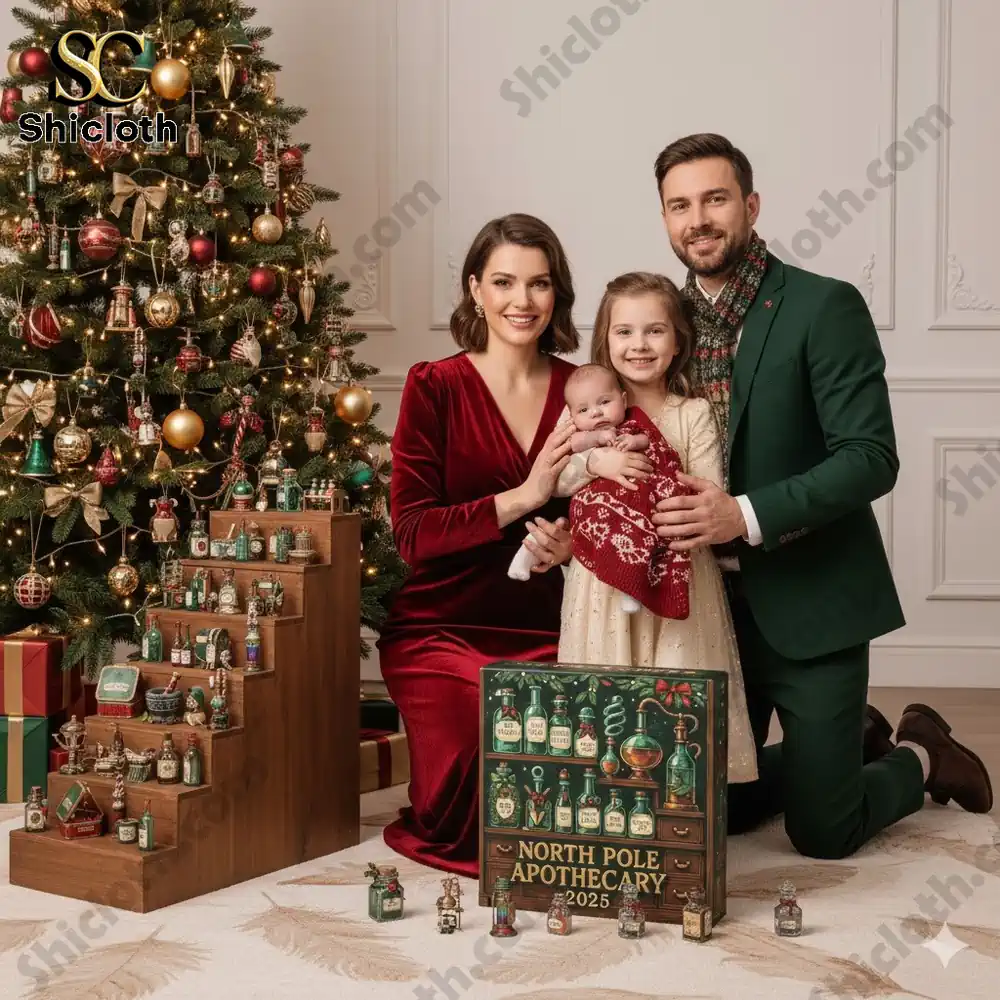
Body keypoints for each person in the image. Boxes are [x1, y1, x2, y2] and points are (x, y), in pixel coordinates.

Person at [648, 133, 992, 858]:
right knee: (714, 812)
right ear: (665, 220)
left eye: (714, 199)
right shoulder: (660, 324)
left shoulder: (822, 306)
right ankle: (848, 743)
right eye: (679, 205)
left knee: (824, 833)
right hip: (709, 611)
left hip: (812, 600)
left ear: (750, 205)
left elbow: (870, 458)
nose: (698, 219)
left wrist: (739, 514)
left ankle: (921, 752)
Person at [377, 213, 650, 876]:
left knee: (622, 768)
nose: (522, 301)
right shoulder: (434, 386)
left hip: (555, 622)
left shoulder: (583, 391)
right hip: (442, 628)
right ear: (475, 289)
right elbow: (413, 535)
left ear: (557, 295)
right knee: (486, 776)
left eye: (539, 284)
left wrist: (574, 541)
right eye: (504, 282)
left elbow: (623, 503)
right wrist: (525, 498)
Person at [554, 272, 759, 784]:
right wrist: (598, 464)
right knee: (607, 686)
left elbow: (706, 489)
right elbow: (556, 475)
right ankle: (607, 797)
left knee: (676, 690)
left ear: (677, 342)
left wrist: (667, 502)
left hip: (677, 568)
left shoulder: (692, 414)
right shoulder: (586, 412)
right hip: (602, 581)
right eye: (624, 332)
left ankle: (680, 805)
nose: (639, 345)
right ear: (605, 339)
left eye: (654, 331)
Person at [508, 362, 685, 617]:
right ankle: (525, 554)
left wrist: (632, 440)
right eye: (584, 409)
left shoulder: (633, 423)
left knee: (633, 538)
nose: (595, 413)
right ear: (572, 415)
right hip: (591, 505)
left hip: (627, 505)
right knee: (560, 528)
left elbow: (649, 439)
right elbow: (576, 444)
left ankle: (630, 588)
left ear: (623, 400)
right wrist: (598, 440)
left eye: (604, 402)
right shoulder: (581, 433)